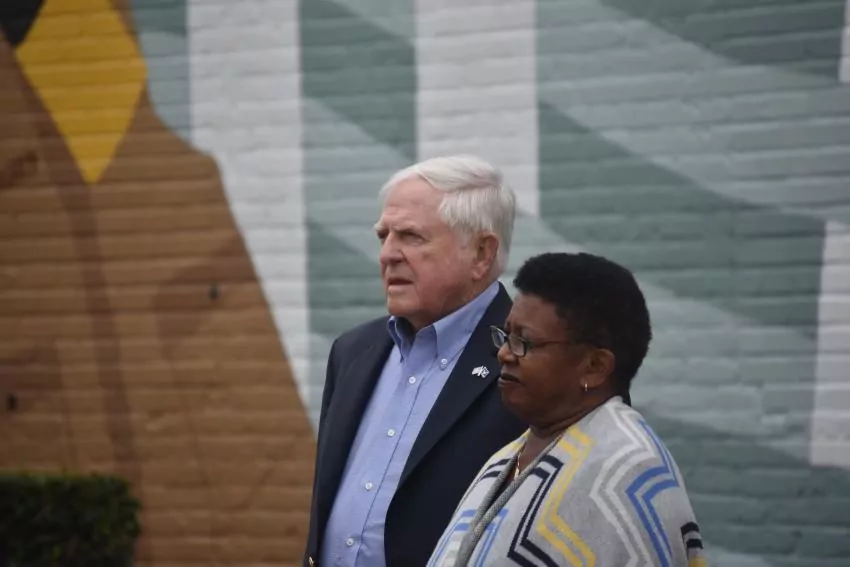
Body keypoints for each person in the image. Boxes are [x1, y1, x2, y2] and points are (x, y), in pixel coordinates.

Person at [303, 155, 528, 567]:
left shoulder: (529, 360)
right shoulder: (352, 352)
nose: (387, 255)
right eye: (383, 236)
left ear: (482, 253)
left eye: (411, 237)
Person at [427, 252, 708, 567]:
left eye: (525, 342)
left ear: (594, 366)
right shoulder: (507, 457)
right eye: (507, 336)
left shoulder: (626, 470)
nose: (504, 353)